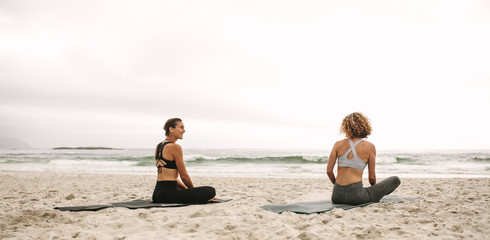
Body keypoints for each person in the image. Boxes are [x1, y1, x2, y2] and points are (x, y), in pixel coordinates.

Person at [326, 112, 400, 205]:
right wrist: (375, 191)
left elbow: (329, 171)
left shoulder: (337, 144)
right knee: (396, 180)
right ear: (364, 126)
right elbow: (372, 178)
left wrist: (338, 187)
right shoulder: (370, 147)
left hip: (336, 196)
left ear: (345, 127)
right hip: (355, 196)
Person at [152, 118, 216, 204]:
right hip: (167, 195)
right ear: (171, 129)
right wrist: (194, 192)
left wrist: (186, 190)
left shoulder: (159, 146)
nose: (184, 131)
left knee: (181, 189)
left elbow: (173, 178)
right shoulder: (175, 147)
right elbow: (184, 176)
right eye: (181, 127)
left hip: (157, 195)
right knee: (211, 191)